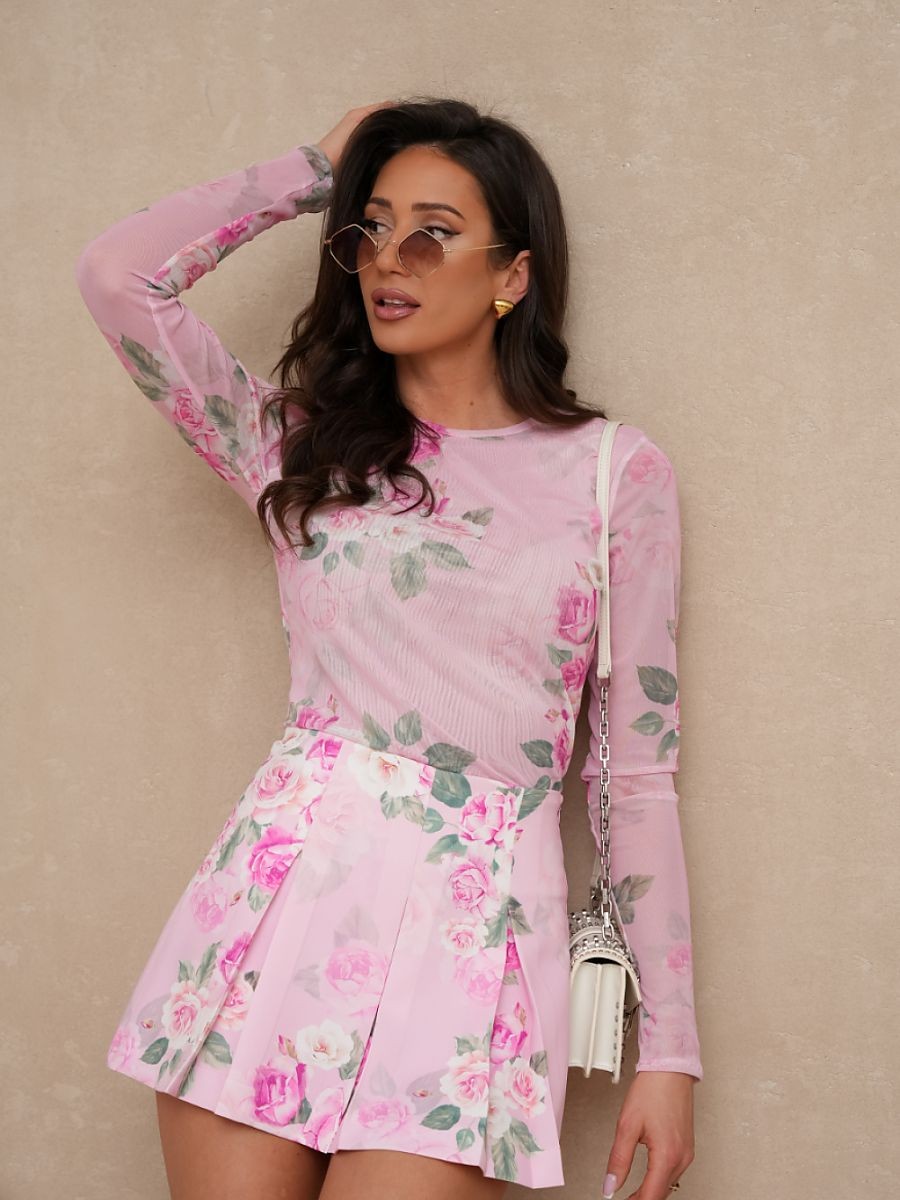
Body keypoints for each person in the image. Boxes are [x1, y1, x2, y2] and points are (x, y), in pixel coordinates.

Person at [75, 96, 702, 1200]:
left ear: (513, 275)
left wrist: (670, 1053)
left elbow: (633, 774)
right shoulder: (299, 449)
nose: (387, 260)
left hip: (476, 931)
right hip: (279, 904)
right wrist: (314, 170)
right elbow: (117, 277)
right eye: (371, 230)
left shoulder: (615, 475)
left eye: (433, 234)